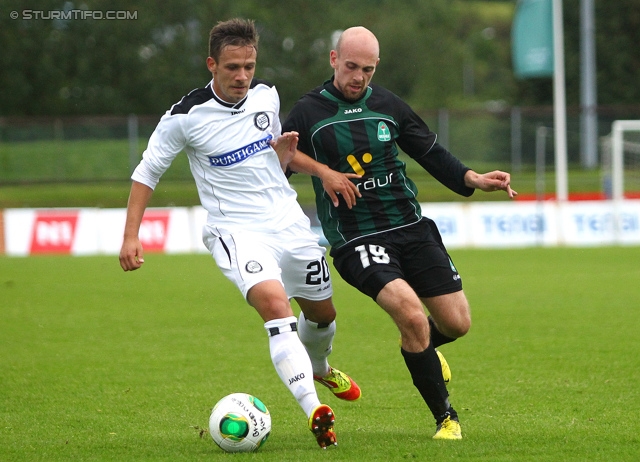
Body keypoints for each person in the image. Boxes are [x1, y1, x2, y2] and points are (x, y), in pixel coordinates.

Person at [118, 18, 361, 449]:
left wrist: (311, 166)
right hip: (236, 229)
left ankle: (320, 368)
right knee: (273, 304)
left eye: (248, 65)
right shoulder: (184, 117)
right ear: (212, 64)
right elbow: (147, 172)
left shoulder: (266, 95)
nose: (242, 76)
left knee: (323, 315)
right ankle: (314, 411)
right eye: (232, 67)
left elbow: (277, 156)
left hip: (287, 221)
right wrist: (131, 235)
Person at [282, 26, 517, 440]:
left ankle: (419, 346)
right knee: (411, 314)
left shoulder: (388, 103)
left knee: (458, 323)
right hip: (357, 239)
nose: (358, 77)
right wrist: (324, 173)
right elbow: (280, 159)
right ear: (334, 60)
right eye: (351, 66)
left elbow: (428, 151)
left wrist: (472, 178)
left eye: (367, 70)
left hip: (411, 227)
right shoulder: (308, 112)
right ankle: (446, 417)